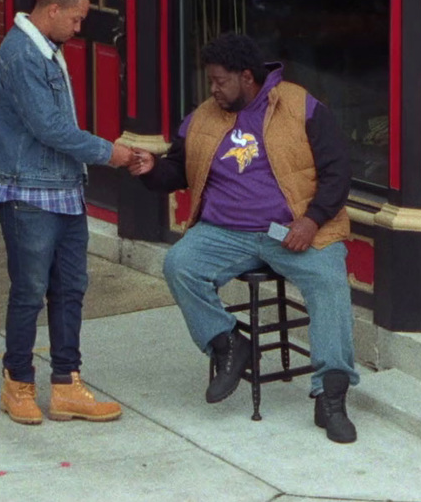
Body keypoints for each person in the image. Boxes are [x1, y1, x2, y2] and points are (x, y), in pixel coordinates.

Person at [130, 32, 359, 443]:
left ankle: (330, 395)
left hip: (293, 229)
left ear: (247, 77)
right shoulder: (202, 117)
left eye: (220, 81)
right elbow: (178, 171)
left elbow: (338, 171)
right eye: (210, 81)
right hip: (225, 232)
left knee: (328, 279)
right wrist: (151, 169)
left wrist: (311, 221)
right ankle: (229, 344)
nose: (212, 89)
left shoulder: (299, 106)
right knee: (179, 264)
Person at [0, 0, 139, 426]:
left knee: (71, 288)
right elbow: (49, 128)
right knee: (31, 291)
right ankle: (17, 384)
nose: (79, 28)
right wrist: (111, 152)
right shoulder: (21, 56)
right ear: (53, 10)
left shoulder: (45, 49)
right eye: (76, 18)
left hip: (64, 191)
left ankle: (67, 384)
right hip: (27, 192)